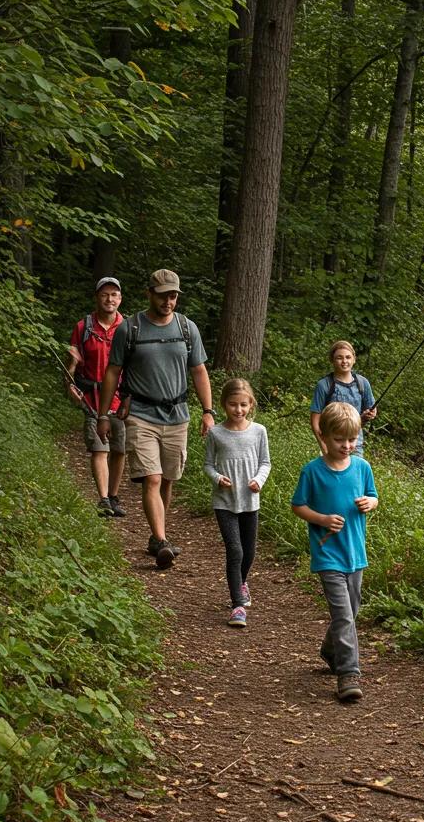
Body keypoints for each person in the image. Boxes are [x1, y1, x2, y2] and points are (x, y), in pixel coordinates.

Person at [96, 269, 215, 570]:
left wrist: (208, 411)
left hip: (177, 415)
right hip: (141, 415)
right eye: (162, 294)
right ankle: (161, 541)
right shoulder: (131, 328)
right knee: (152, 476)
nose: (168, 300)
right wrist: (103, 414)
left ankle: (155, 535)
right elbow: (113, 371)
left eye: (173, 295)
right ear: (150, 293)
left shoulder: (187, 328)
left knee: (168, 478)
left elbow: (199, 370)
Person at [291, 402, 378, 702]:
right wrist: (323, 519)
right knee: (343, 615)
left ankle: (330, 650)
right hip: (328, 554)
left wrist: (370, 503)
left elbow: (374, 496)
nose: (347, 446)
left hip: (356, 553)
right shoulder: (313, 472)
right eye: (340, 440)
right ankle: (348, 673)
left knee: (351, 613)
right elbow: (298, 506)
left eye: (352, 440)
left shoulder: (362, 467)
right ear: (324, 437)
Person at [204, 379, 271, 629]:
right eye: (233, 404)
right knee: (235, 550)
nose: (238, 409)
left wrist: (258, 480)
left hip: (250, 500)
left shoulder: (258, 431)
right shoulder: (216, 433)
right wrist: (217, 478)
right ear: (224, 405)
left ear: (251, 405)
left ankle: (241, 582)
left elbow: (265, 462)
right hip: (224, 502)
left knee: (249, 551)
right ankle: (237, 605)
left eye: (243, 404)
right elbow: (208, 464)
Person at [65, 276, 127, 518]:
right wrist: (70, 381)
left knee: (119, 450)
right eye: (105, 294)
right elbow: (72, 363)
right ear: (97, 297)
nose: (109, 299)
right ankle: (103, 499)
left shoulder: (128, 327)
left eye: (114, 295)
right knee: (100, 449)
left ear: (120, 299)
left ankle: (113, 496)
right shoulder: (83, 327)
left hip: (121, 399)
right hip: (93, 397)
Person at [309, 340, 377, 457]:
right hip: (331, 445)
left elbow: (372, 409)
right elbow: (315, 421)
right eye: (339, 358)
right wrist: (324, 446)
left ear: (354, 359)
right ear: (332, 360)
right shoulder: (324, 385)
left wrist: (369, 414)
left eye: (348, 357)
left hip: (355, 445)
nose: (344, 361)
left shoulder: (363, 383)